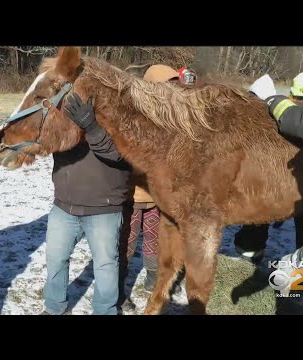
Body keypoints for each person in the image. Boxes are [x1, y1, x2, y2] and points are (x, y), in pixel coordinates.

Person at [40, 90, 132, 315]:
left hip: (103, 208)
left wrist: (92, 127)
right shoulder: (63, 108)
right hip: (64, 206)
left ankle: (105, 310)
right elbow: (43, 142)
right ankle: (54, 308)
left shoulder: (120, 112)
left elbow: (119, 155)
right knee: (55, 260)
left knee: (106, 266)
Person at [248, 73, 303, 292]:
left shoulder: (297, 111)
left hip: (281, 185)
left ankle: (253, 256)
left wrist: (271, 98)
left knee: (263, 214)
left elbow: (299, 122)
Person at [119, 64, 198, 312]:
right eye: (166, 86)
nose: (171, 91)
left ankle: (154, 278)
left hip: (157, 197)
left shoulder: (172, 118)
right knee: (127, 241)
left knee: (155, 238)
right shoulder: (132, 117)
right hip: (131, 195)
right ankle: (119, 290)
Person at [233, 72, 303, 264]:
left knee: (261, 214)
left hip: (275, 181)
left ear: (291, 94)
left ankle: (250, 255)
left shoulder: (279, 113)